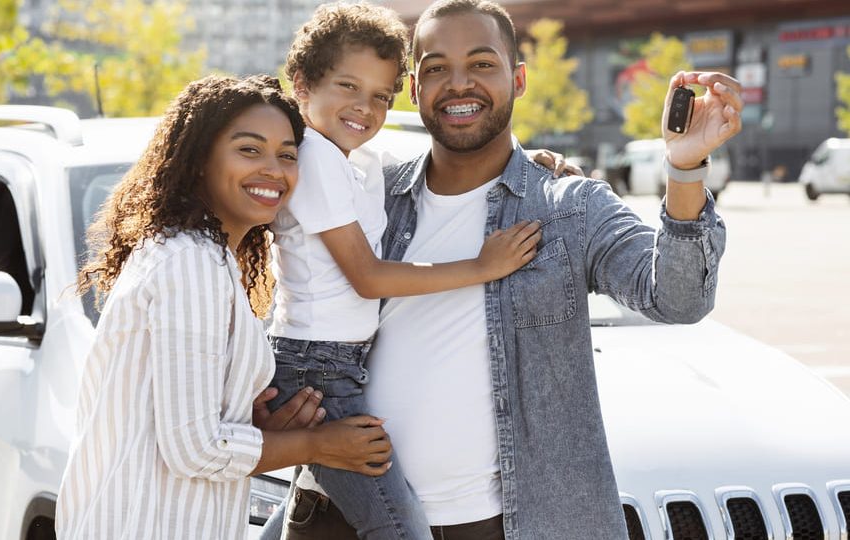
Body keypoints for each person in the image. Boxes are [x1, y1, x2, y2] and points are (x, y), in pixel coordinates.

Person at [283, 0, 742, 538]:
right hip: (333, 511)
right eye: (435, 68)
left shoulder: (569, 207)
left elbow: (679, 299)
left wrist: (684, 168)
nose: (458, 84)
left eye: (481, 64)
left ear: (518, 79)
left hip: (489, 524)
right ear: (414, 89)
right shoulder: (373, 190)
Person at [258, 3, 581, 538]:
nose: (364, 107)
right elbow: (368, 277)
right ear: (301, 84)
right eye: (347, 86)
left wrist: (529, 160)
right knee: (397, 525)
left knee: (363, 505)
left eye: (380, 96)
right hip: (317, 369)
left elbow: (454, 164)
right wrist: (481, 266)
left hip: (338, 366)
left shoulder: (355, 160)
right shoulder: (314, 157)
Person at [55, 75, 396, 540]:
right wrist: (319, 445)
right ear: (199, 162)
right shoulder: (189, 263)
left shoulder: (210, 260)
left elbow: (175, 422)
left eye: (288, 155)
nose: (274, 170)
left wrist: (258, 427)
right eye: (249, 150)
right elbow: (194, 450)